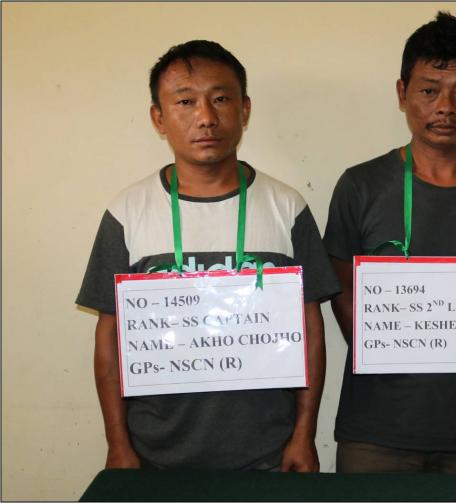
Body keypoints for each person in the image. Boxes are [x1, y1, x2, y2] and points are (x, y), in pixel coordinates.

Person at [77, 40, 339, 471]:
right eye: (185, 101)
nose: (206, 117)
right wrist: (117, 443)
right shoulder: (128, 211)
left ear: (245, 109)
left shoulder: (286, 206)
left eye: (220, 99)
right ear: (158, 118)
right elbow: (109, 337)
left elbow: (310, 328)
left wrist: (304, 436)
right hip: (154, 453)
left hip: (267, 453)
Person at [323, 12, 456, 473]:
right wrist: (385, 344)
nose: (446, 107)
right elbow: (340, 285)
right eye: (429, 91)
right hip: (375, 429)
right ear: (402, 93)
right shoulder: (360, 185)